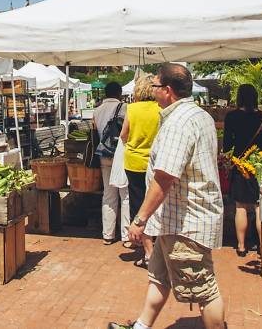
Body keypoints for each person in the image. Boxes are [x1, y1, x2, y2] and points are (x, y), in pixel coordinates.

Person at [110, 64, 224, 329]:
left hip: (186, 222)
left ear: (168, 91)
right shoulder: (199, 115)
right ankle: (141, 326)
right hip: (174, 218)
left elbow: (165, 178)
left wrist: (140, 219)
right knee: (159, 276)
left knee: (204, 289)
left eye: (156, 86)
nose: (153, 90)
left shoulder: (178, 123)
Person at [223, 84, 262, 256]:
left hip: (241, 164)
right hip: (260, 164)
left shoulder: (232, 116)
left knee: (241, 207)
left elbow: (227, 144)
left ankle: (241, 246)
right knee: (260, 206)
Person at [120, 74, 161, 267]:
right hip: (156, 163)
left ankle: (148, 252)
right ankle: (159, 248)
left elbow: (123, 135)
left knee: (139, 207)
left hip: (134, 163)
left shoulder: (132, 108)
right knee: (158, 206)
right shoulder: (161, 109)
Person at [93, 81, 130, 246]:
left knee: (108, 194)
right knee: (125, 195)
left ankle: (108, 234)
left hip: (104, 155)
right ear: (119, 93)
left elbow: (95, 132)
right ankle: (127, 236)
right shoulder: (124, 108)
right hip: (120, 155)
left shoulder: (97, 110)